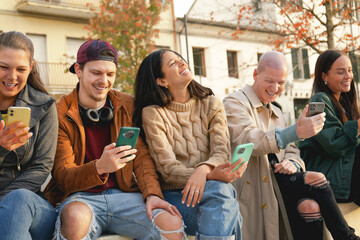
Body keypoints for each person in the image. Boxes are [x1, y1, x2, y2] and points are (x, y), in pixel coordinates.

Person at [44, 40, 184, 240]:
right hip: (79, 198)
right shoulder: (59, 113)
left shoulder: (127, 105)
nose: (104, 81)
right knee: (75, 219)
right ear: (78, 70)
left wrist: (152, 194)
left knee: (172, 222)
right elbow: (62, 176)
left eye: (110, 74)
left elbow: (142, 158)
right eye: (96, 73)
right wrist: (100, 167)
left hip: (124, 195)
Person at [223, 51, 359, 240]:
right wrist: (295, 132)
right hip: (255, 190)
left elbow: (294, 151)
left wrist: (292, 163)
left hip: (281, 185)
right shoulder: (234, 102)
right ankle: (347, 237)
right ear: (255, 74)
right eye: (270, 81)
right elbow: (249, 139)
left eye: (281, 83)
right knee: (315, 182)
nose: (275, 87)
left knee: (310, 207)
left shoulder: (278, 112)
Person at [133, 49, 245, 239]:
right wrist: (210, 175)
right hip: (179, 196)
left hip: (214, 193)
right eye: (173, 64)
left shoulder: (212, 104)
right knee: (227, 202)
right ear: (162, 81)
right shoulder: (153, 113)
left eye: (181, 60)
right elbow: (168, 169)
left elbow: (221, 152)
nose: (182, 63)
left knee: (223, 194)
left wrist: (203, 172)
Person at [0, 31, 58, 239]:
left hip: (33, 206)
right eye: (3, 67)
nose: (12, 76)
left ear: (31, 67)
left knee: (17, 201)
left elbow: (42, 166)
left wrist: (3, 202)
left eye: (21, 69)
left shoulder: (45, 106)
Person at [299, 50, 360, 206]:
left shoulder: (347, 103)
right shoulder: (317, 103)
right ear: (324, 76)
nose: (348, 76)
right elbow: (334, 145)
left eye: (350, 70)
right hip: (330, 182)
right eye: (341, 72)